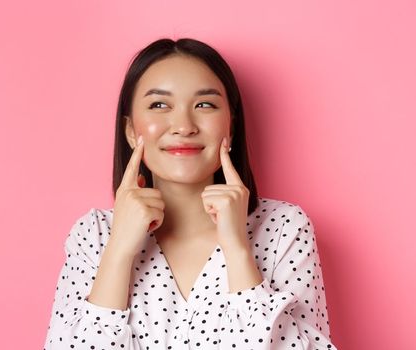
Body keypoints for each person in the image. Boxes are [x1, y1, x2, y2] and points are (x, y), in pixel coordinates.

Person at [43, 38, 337, 349]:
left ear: (230, 127)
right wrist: (118, 253)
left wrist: (237, 249)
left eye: (204, 105)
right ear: (131, 130)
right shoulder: (94, 235)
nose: (184, 125)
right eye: (159, 105)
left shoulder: (283, 229)